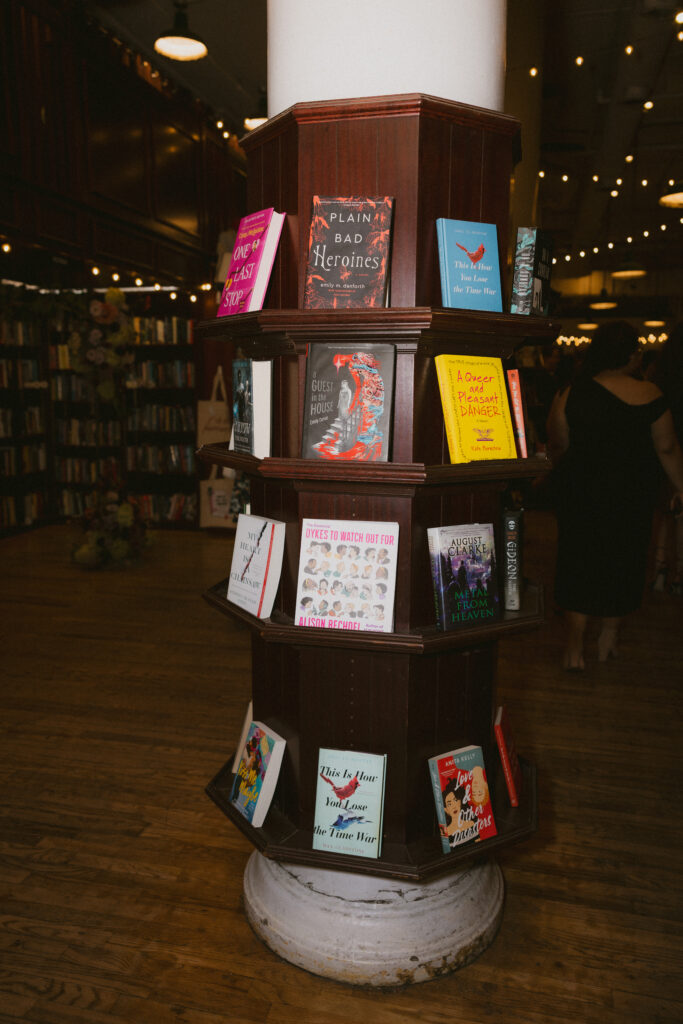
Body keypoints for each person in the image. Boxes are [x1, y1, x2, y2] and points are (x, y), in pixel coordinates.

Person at [547, 320, 683, 670]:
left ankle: (574, 648)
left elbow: (559, 444)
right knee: (624, 561)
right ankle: (608, 640)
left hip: (581, 491)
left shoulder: (570, 392)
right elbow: (667, 447)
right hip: (631, 494)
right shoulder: (650, 395)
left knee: (578, 561)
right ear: (631, 354)